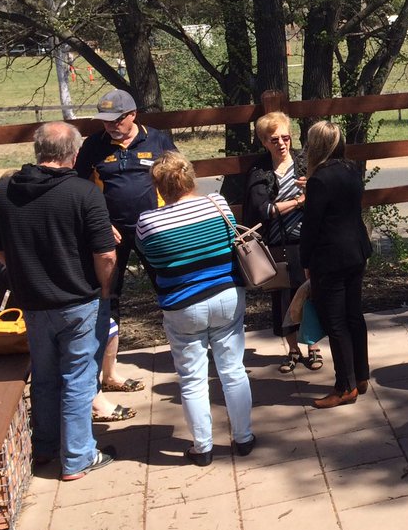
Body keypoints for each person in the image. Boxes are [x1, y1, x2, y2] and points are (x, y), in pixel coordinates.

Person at [0, 122, 117, 481]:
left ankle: (44, 447)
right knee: (78, 377)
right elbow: (106, 254)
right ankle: (77, 457)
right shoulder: (84, 193)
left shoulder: (3, 190)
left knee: (43, 375)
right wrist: (104, 290)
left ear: (37, 151)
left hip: (32, 301)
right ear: (74, 155)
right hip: (78, 300)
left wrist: (24, 271)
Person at [136, 152, 254, 466]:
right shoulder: (218, 204)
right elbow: (232, 243)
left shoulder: (147, 223)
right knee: (233, 371)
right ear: (191, 178)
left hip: (183, 305)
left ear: (159, 187)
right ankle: (243, 438)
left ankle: (202, 448)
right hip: (226, 295)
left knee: (192, 379)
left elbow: (154, 263)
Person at [75, 89, 178, 314]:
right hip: (110, 230)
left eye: (116, 120)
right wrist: (100, 223)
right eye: (105, 121)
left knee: (170, 286)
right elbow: (79, 188)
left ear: (133, 114)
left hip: (154, 227)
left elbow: (179, 177)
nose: (111, 126)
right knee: (108, 291)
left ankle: (182, 341)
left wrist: (171, 216)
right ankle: (108, 345)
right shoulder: (93, 145)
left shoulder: (157, 139)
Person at [242, 111, 323, 375]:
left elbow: (323, 194)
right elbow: (264, 210)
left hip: (308, 239)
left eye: (285, 137)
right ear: (264, 141)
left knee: (310, 293)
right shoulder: (260, 170)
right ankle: (292, 350)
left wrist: (312, 189)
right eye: (274, 139)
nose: (281, 143)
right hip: (276, 244)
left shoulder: (305, 162)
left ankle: (312, 347)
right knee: (282, 298)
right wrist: (300, 201)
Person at [300, 121, 374, 409]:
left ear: (316, 145)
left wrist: (306, 261)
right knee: (354, 315)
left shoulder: (319, 179)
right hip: (356, 252)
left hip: (330, 259)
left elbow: (312, 227)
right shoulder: (352, 169)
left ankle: (345, 386)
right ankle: (361, 374)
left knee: (336, 322)